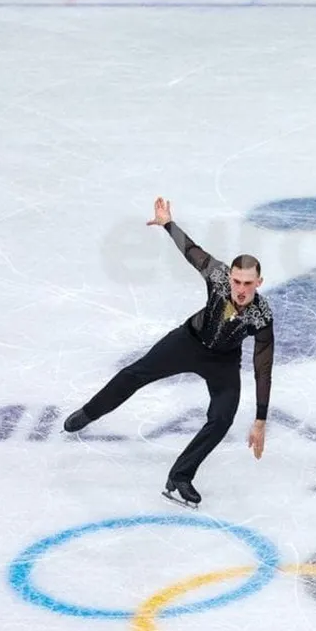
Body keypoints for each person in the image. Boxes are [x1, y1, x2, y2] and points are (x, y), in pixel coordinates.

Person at [63, 197, 275, 507]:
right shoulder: (217, 276)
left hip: (223, 362)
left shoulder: (262, 315)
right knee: (135, 374)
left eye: (248, 283)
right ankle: (88, 413)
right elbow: (191, 250)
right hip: (188, 343)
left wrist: (260, 420)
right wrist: (167, 224)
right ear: (229, 276)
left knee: (222, 418)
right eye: (237, 281)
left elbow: (263, 367)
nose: (241, 289)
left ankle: (180, 476)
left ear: (259, 282)